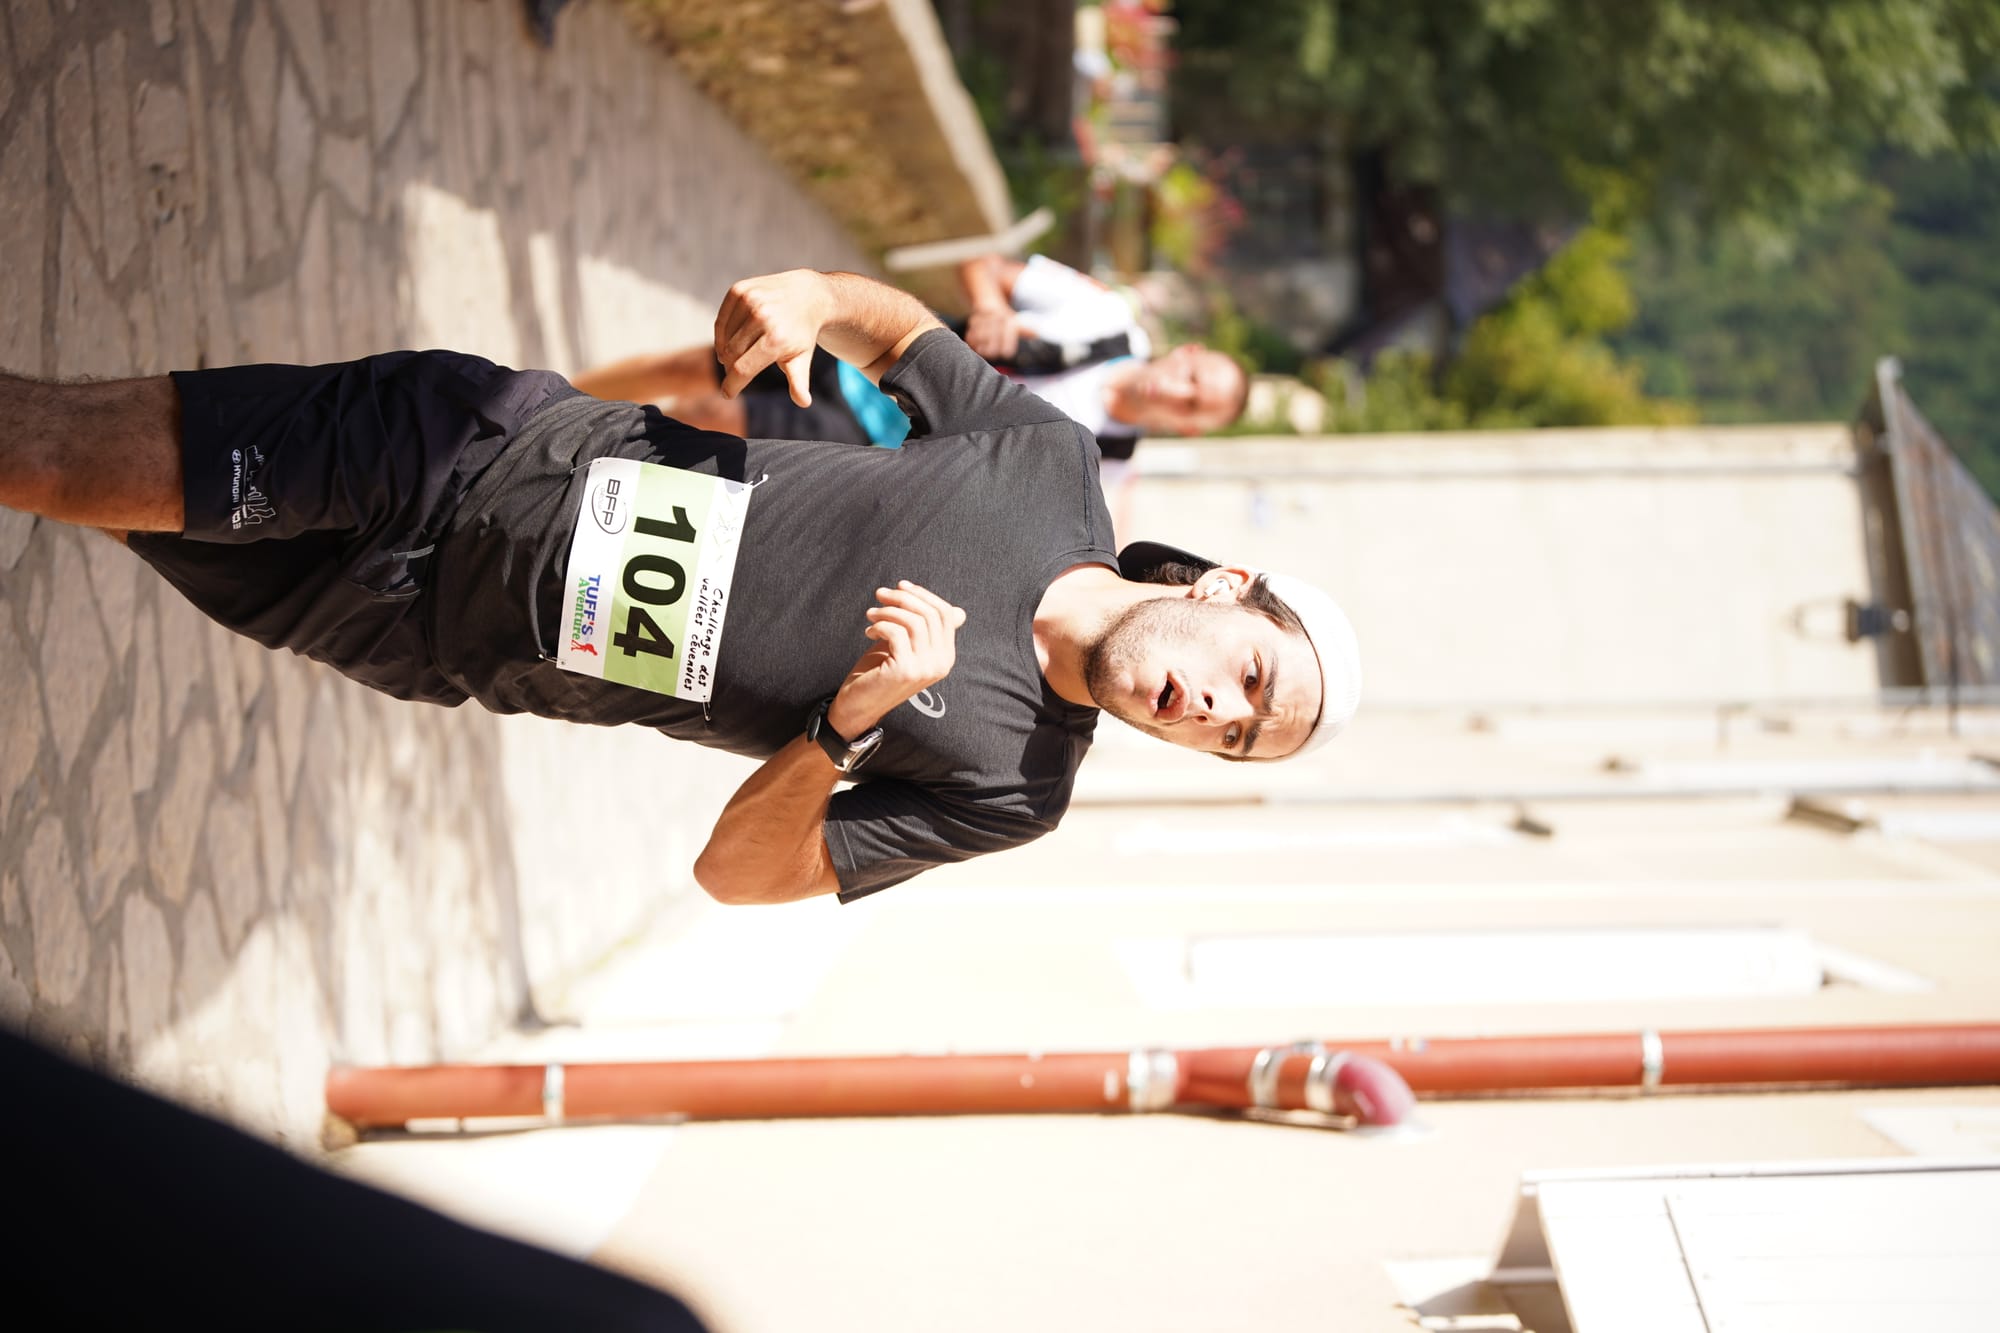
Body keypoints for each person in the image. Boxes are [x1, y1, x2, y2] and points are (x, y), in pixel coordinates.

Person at [0, 269, 1356, 905]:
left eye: (1232, 731)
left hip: (422, 638)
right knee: (56, 459)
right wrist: (808, 292)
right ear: (1231, 587)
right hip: (479, 453)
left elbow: (736, 875)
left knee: (98, 496)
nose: (1205, 703)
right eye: (1247, 675)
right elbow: (892, 328)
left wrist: (846, 723)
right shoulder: (1047, 464)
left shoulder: (1016, 791)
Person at [571, 253, 1251, 492]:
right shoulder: (1101, 315)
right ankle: (563, 400)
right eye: (1195, 381)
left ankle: (573, 447)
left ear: (1187, 432)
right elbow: (981, 264)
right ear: (1186, 354)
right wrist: (989, 308)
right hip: (872, 350)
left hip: (872, 440)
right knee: (701, 361)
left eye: (1195, 408)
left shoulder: (1108, 462)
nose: (1180, 395)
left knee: (714, 413)